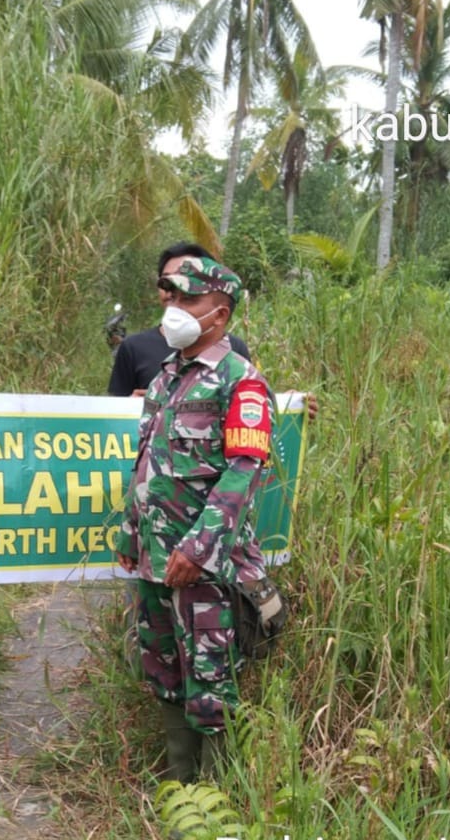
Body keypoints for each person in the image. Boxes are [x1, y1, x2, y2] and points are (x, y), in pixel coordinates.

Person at [113, 256, 271, 782]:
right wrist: (131, 534)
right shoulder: (164, 379)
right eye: (171, 299)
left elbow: (243, 474)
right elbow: (149, 465)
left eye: (188, 301)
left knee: (210, 679)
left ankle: (215, 801)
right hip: (156, 559)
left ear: (220, 314)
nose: (174, 310)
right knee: (162, 669)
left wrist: (197, 550)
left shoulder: (240, 382)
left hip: (205, 566)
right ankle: (180, 784)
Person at [107, 243, 251, 397]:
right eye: (173, 292)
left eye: (189, 297)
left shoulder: (238, 366)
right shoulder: (165, 374)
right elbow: (115, 411)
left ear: (220, 314)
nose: (173, 300)